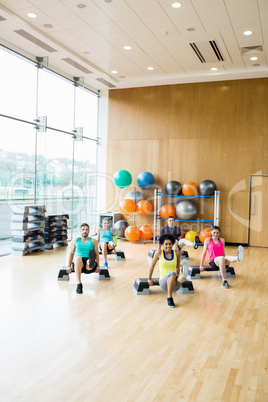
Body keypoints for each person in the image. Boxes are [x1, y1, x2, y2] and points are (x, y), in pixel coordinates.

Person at [148, 233, 190, 308]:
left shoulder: (177, 253)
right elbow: (152, 266)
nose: (168, 246)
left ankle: (184, 274)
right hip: (163, 283)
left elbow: (177, 267)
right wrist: (149, 279)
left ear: (172, 244)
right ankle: (169, 298)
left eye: (170, 244)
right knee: (172, 273)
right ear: (162, 245)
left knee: (181, 277)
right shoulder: (159, 253)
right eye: (166, 244)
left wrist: (176, 277)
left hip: (174, 284)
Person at [67, 223, 100, 294]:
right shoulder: (75, 240)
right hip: (79, 264)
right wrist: (69, 266)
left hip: (88, 265)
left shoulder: (94, 241)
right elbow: (71, 253)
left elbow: (97, 254)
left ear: (89, 231)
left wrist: (98, 266)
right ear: (80, 231)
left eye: (86, 230)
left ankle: (91, 261)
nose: (85, 231)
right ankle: (79, 284)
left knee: (89, 261)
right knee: (78, 258)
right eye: (83, 229)